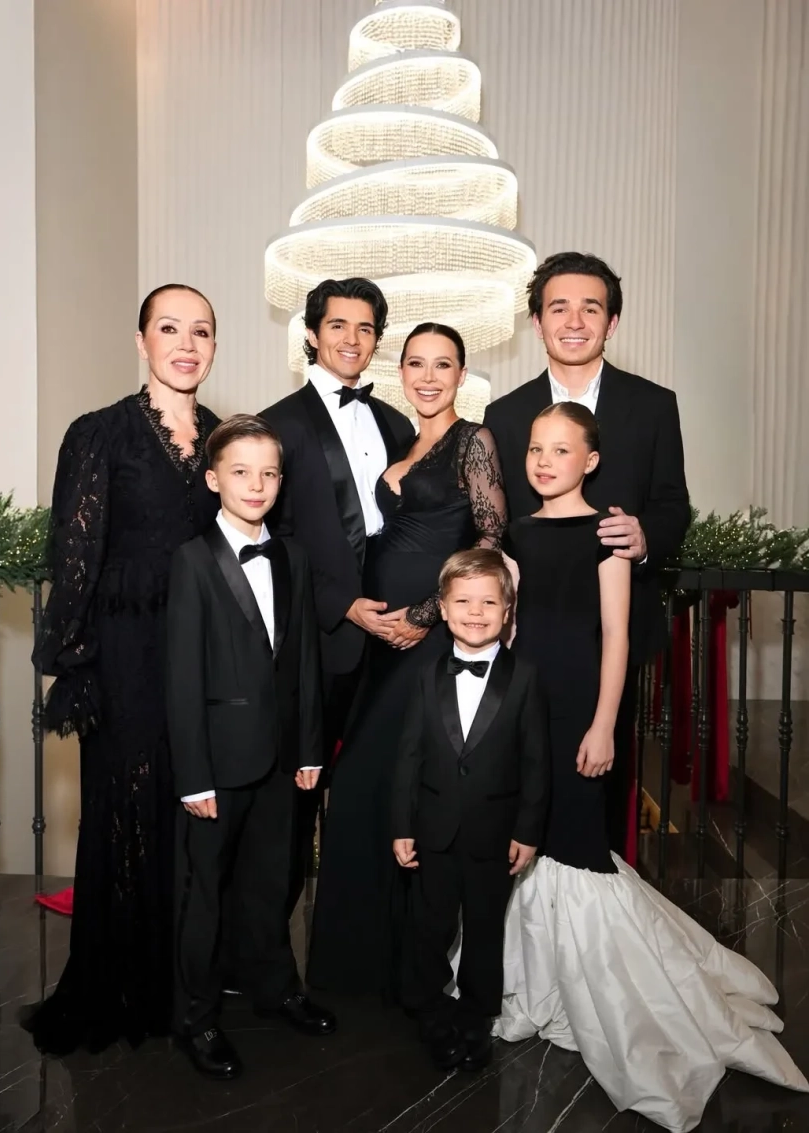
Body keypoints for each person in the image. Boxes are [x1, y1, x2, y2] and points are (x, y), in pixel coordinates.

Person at [494, 401, 808, 1130]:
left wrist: (604, 723)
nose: (544, 461)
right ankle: (538, 978)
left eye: (562, 449)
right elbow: (507, 627)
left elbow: (615, 636)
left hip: (581, 702)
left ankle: (601, 990)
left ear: (591, 460)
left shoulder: (606, 534)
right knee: (531, 832)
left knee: (575, 843)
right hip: (525, 703)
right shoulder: (516, 534)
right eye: (536, 448)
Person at [23, 285, 222, 1055]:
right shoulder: (99, 433)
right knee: (126, 809)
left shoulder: (226, 439)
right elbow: (73, 555)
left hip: (202, 657)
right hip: (126, 653)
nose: (186, 344)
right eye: (170, 328)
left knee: (188, 815)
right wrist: (75, 661)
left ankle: (179, 984)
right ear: (141, 340)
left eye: (201, 331)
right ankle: (118, 986)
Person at [306, 323, 509, 996]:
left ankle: (404, 970)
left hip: (429, 642)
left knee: (389, 787)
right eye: (416, 363)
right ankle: (359, 966)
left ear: (461, 375)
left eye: (442, 365)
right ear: (400, 371)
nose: (428, 376)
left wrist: (426, 616)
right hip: (379, 644)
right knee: (370, 793)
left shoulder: (473, 440)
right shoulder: (400, 440)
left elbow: (489, 543)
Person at [484, 252, 691, 858]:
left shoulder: (653, 405)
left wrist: (646, 537)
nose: (574, 321)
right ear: (537, 321)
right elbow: (496, 526)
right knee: (517, 794)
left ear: (612, 322)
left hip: (612, 638)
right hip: (527, 639)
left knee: (598, 800)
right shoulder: (504, 414)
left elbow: (673, 504)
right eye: (559, 308)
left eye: (590, 308)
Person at [166, 414, 335, 1081]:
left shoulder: (293, 556)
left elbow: (305, 662)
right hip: (216, 763)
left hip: (282, 758)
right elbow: (182, 677)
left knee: (271, 884)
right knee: (204, 895)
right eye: (241, 471)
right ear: (214, 479)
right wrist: (193, 775)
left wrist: (310, 748)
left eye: (269, 473)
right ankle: (197, 1018)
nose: (256, 484)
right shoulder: (191, 560)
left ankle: (276, 989)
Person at [259, 278, 415, 912]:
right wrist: (342, 603)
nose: (352, 339)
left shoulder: (398, 423)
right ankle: (272, 941)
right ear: (311, 333)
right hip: (319, 642)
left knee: (382, 789)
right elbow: (274, 541)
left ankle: (365, 932)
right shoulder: (277, 424)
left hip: (397, 641)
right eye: (338, 325)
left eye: (365, 328)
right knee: (296, 800)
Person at [392, 549, 549, 1073]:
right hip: (432, 830)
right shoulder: (425, 675)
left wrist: (528, 829)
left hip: (495, 832)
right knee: (430, 925)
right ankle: (429, 1009)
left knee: (485, 928)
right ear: (442, 608)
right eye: (462, 602)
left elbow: (536, 761)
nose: (475, 612)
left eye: (488, 602)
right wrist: (401, 825)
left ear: (508, 611)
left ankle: (477, 1016)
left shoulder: (525, 677)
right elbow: (408, 757)